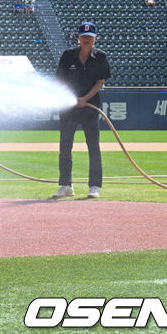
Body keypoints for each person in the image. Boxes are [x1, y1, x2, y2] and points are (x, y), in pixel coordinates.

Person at [52, 22, 110, 200]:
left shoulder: (100, 56)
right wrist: (72, 97)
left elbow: (100, 82)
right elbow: (60, 80)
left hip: (90, 107)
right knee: (65, 146)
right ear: (78, 38)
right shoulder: (68, 55)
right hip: (69, 108)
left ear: (95, 38)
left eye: (89, 37)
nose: (86, 40)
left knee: (93, 147)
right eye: (83, 37)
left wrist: (85, 99)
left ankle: (94, 186)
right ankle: (65, 185)